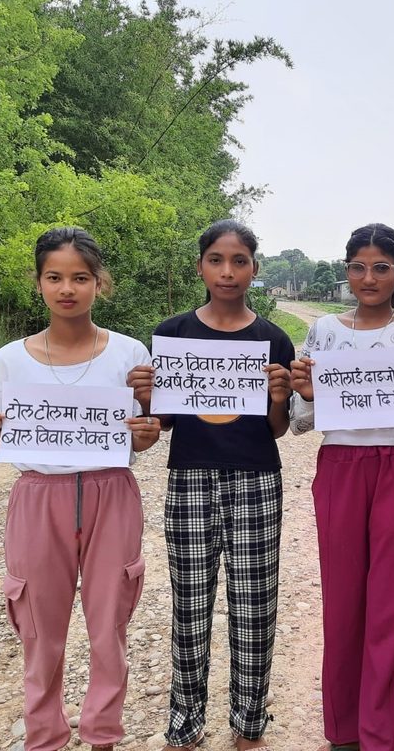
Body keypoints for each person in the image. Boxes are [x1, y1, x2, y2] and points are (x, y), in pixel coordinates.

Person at [0, 227, 161, 751]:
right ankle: (44, 736)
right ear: (38, 283)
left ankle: (102, 735)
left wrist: (147, 430)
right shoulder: (12, 358)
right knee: (38, 629)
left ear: (101, 283)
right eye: (55, 277)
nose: (67, 288)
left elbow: (142, 432)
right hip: (37, 498)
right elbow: (5, 438)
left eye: (80, 277)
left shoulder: (129, 353)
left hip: (111, 495)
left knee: (108, 624)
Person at [126, 219, 293, 751]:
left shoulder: (272, 338)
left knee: (254, 604)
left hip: (257, 481)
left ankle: (248, 721)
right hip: (190, 480)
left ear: (254, 269)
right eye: (216, 260)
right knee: (190, 603)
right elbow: (166, 422)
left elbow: (278, 428)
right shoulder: (174, 334)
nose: (227, 271)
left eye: (239, 261)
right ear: (200, 266)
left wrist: (278, 396)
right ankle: (186, 719)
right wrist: (150, 397)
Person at [288, 223, 394, 751]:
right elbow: (299, 422)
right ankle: (344, 730)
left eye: (382, 267)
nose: (369, 277)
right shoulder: (325, 335)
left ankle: (383, 733)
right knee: (342, 600)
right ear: (346, 273)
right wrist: (308, 394)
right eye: (358, 266)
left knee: (393, 602)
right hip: (339, 467)